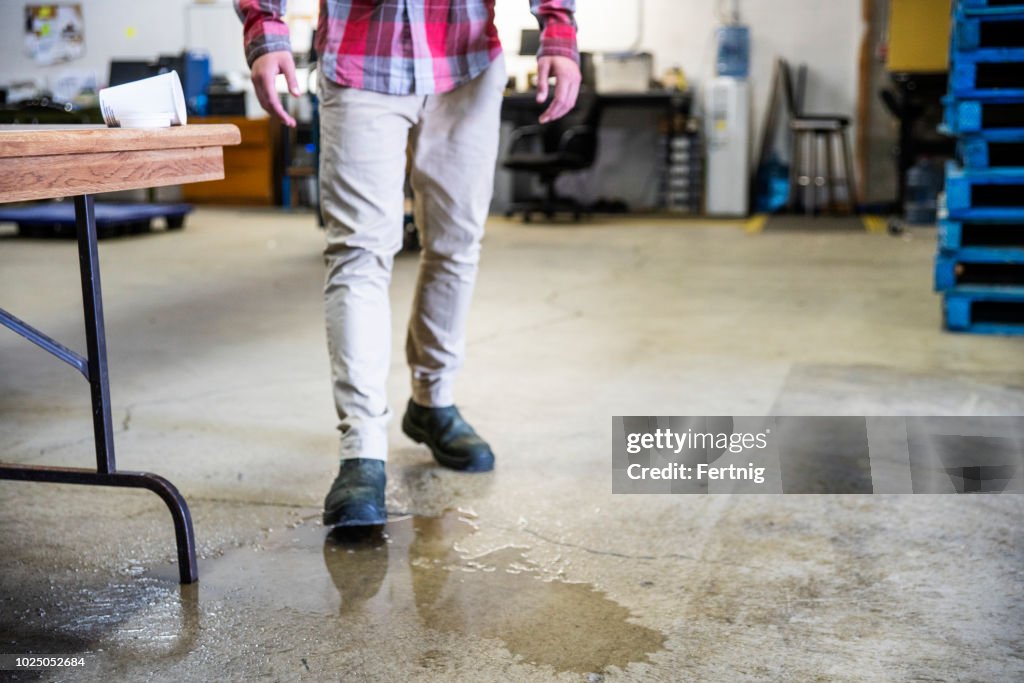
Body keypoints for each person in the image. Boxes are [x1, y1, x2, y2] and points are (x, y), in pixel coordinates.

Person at [238, 0, 581, 527]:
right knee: (358, 251)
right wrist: (267, 26)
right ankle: (362, 449)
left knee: (456, 245)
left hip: (463, 58)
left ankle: (433, 403)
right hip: (361, 57)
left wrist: (557, 29)